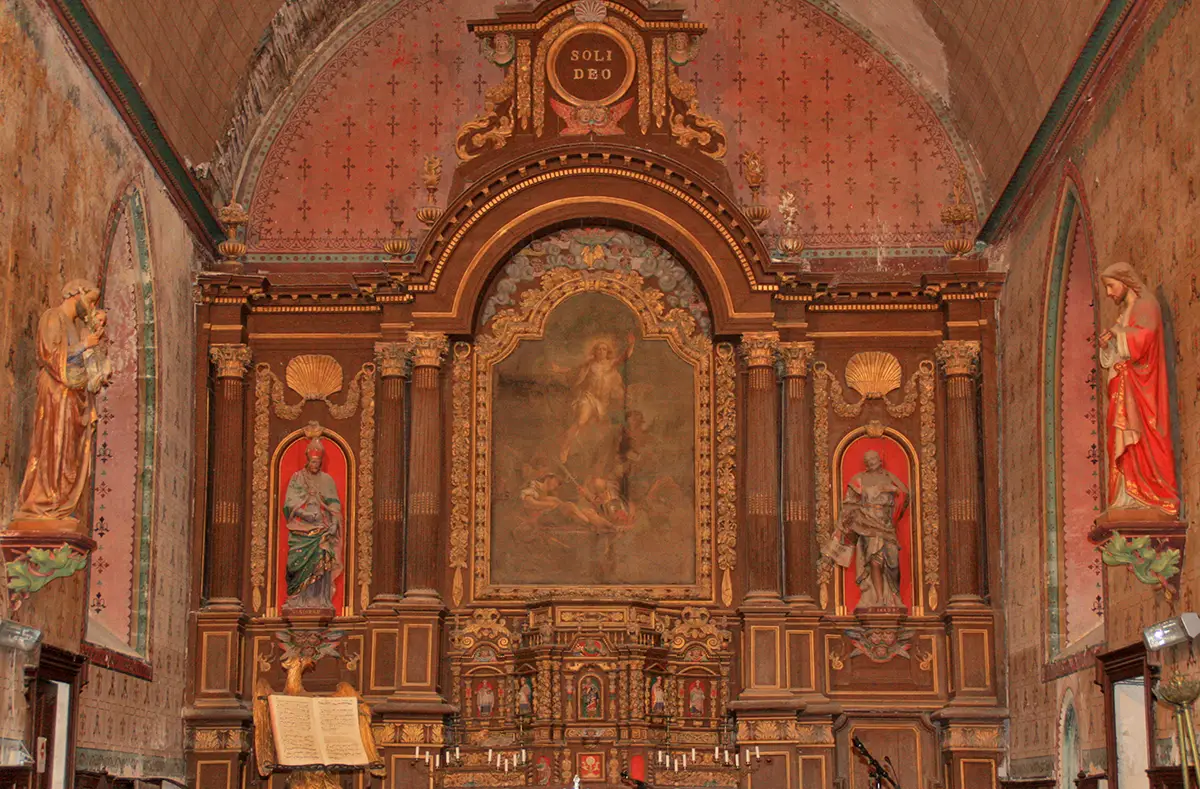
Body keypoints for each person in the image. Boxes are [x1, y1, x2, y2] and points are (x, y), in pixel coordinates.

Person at [14, 280, 107, 526]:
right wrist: (84, 346)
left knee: (68, 451)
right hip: (56, 392)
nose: (91, 307)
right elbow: (50, 354)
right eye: (90, 301)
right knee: (53, 444)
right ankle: (45, 501)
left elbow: (78, 360)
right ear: (76, 293)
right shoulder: (53, 317)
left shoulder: (75, 327)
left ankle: (61, 502)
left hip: (71, 394)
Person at [1097, 262, 1179, 514]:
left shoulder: (1146, 305)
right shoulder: (1126, 312)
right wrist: (1108, 346)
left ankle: (1149, 495)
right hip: (1124, 388)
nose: (1109, 293)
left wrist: (1118, 333)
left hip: (1142, 390)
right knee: (1120, 442)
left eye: (1111, 286)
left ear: (1124, 281)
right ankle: (1126, 497)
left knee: (1140, 440)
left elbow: (1143, 341)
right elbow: (1120, 354)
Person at [822, 450, 908, 609]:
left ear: (880, 460)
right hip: (867, 524)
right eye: (868, 460)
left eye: (874, 458)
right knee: (875, 561)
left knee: (893, 561)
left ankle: (895, 595)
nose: (871, 461)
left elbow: (905, 495)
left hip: (887, 524)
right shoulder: (859, 479)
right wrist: (842, 526)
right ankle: (879, 598)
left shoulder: (889, 477)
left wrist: (892, 489)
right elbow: (849, 505)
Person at [282, 438, 344, 609]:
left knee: (321, 561)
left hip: (321, 527)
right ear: (308, 460)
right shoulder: (298, 478)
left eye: (318, 462)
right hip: (301, 528)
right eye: (313, 462)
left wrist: (334, 523)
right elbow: (289, 503)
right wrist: (304, 514)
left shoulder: (327, 480)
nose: (315, 465)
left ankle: (319, 600)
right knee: (296, 561)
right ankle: (298, 599)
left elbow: (334, 504)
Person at [558, 334, 635, 462]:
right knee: (581, 420)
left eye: (604, 349)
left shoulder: (611, 364)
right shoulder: (589, 364)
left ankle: (614, 455)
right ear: (595, 351)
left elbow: (624, 357)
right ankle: (565, 446)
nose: (601, 351)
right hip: (589, 398)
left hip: (603, 403)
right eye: (599, 349)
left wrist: (631, 345)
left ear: (607, 352)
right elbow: (573, 370)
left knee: (608, 429)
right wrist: (559, 370)